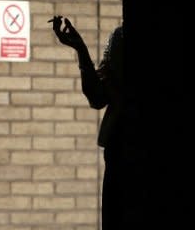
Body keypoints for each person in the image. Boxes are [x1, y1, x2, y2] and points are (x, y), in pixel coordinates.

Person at [48, 16, 127, 230]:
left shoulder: (120, 38)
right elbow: (98, 96)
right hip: (118, 149)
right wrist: (80, 49)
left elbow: (98, 96)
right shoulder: (120, 37)